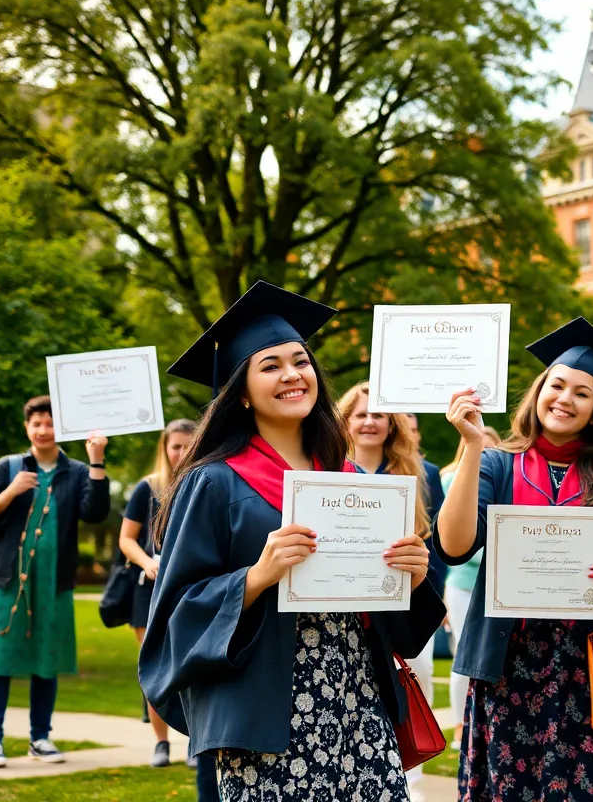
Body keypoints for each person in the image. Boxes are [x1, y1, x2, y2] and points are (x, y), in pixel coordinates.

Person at [139, 282, 444, 802]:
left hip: (358, 695)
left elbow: (395, 619)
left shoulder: (348, 478)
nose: (291, 375)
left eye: (300, 361)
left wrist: (412, 577)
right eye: (270, 365)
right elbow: (174, 616)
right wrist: (257, 576)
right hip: (268, 709)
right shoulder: (213, 483)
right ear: (239, 390)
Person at [436, 317, 593, 800]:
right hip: (512, 666)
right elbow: (455, 544)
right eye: (557, 384)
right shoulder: (498, 463)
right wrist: (469, 447)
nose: (565, 398)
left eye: (582, 393)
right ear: (540, 390)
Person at [0, 397, 110, 769]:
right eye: (36, 424)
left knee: (46, 661)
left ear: (60, 428)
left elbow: (94, 513)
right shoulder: (9, 467)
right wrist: (10, 492)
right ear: (26, 428)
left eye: (50, 424)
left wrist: (97, 461)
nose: (43, 431)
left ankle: (40, 738)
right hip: (6, 582)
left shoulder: (77, 470)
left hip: (53, 583)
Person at [337, 383, 444, 802]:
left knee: (414, 686)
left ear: (391, 422)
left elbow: (433, 545)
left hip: (405, 599)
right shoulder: (326, 469)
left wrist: (428, 592)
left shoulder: (420, 472)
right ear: (346, 421)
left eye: (378, 414)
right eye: (360, 414)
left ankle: (409, 784)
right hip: (349, 601)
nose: (369, 421)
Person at [116, 418, 196, 768]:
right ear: (165, 448)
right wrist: (147, 562)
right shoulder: (148, 488)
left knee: (191, 668)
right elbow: (126, 539)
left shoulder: (202, 481)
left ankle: (196, 742)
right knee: (154, 668)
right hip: (149, 590)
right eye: (175, 445)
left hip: (189, 589)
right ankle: (161, 743)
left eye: (187, 445)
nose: (181, 452)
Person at [439, 426, 502, 752]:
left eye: (492, 450)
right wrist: (501, 555)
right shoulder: (452, 481)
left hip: (499, 587)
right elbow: (451, 541)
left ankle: (484, 724)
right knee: (464, 658)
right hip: (464, 585)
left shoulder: (502, 481)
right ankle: (461, 726)